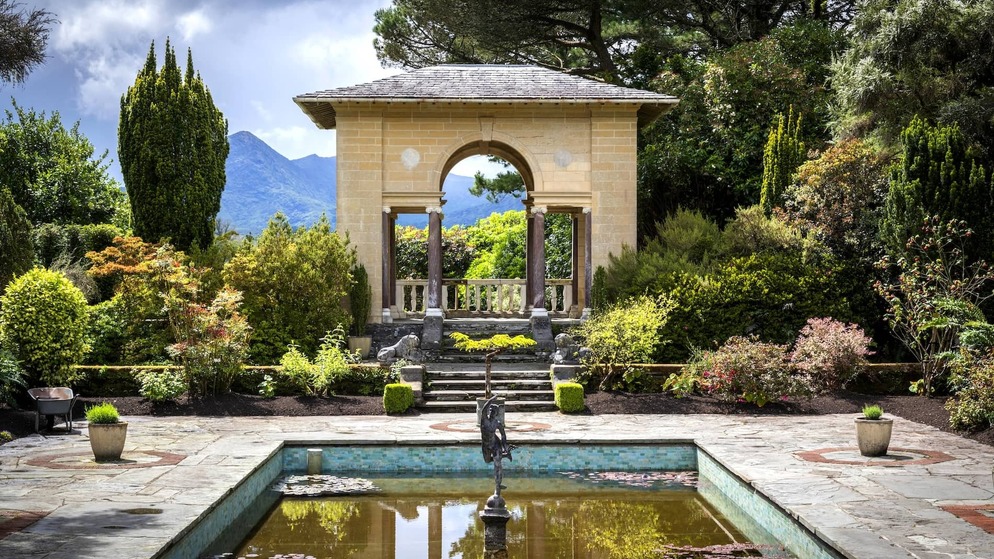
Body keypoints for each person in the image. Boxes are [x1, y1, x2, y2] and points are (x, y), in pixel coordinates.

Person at [480, 395, 514, 496]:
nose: (491, 413)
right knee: (487, 460)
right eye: (490, 411)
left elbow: (503, 435)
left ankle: (498, 486)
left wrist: (505, 447)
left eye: (493, 411)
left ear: (496, 414)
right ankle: (505, 455)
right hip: (486, 445)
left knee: (497, 465)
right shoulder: (484, 420)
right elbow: (483, 410)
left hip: (495, 444)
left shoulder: (497, 423)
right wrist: (491, 399)